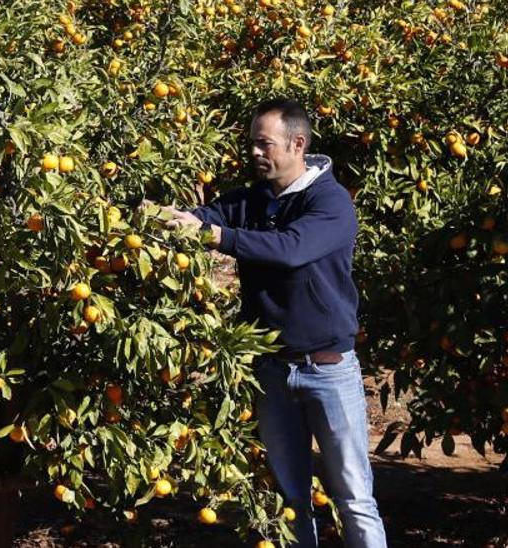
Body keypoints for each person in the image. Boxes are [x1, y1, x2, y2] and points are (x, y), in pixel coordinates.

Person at [146, 98, 387, 547]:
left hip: (328, 369)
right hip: (271, 370)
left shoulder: (331, 203)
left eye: (264, 144)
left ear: (297, 144)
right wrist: (159, 218)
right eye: (252, 143)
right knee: (288, 498)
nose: (254, 153)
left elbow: (290, 249)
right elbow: (207, 218)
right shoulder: (253, 199)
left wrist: (218, 237)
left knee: (353, 494)